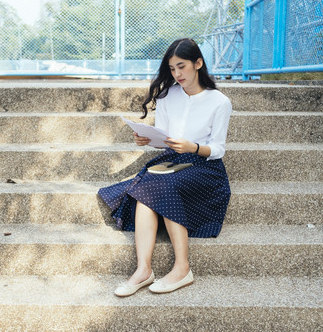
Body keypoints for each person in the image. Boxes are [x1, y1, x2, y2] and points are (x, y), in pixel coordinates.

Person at [98, 38, 232, 297]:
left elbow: (218, 149)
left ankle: (182, 268)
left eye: (181, 67)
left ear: (198, 64)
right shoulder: (168, 95)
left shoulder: (219, 101)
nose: (176, 74)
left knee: (163, 183)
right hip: (173, 160)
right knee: (148, 185)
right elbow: (167, 138)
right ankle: (143, 270)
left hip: (205, 167)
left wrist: (192, 147)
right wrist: (148, 139)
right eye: (171, 69)